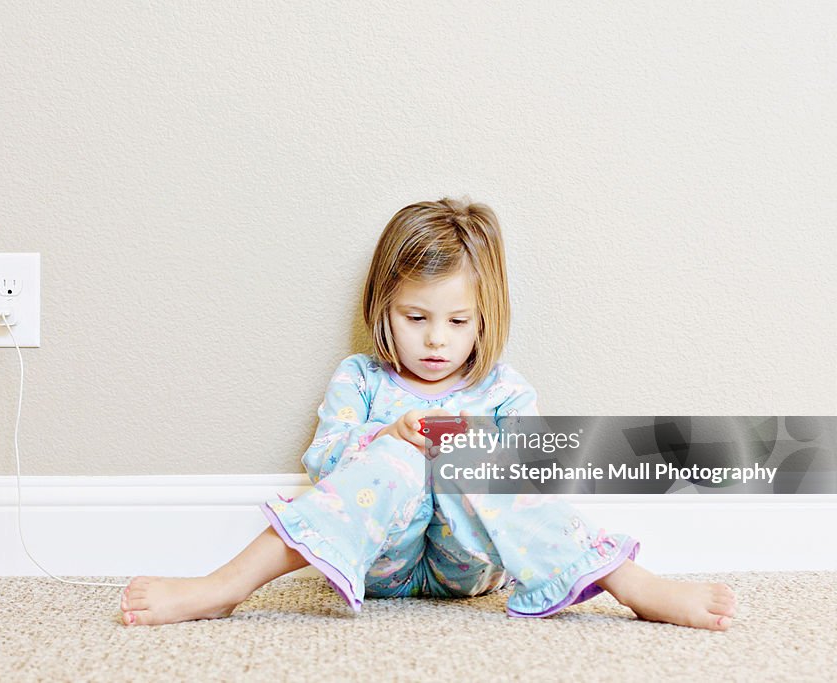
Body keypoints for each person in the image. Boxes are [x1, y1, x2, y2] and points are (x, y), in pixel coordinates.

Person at [119, 197, 737, 630]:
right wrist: (386, 436)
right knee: (391, 455)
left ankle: (629, 583)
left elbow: (537, 484)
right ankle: (224, 587)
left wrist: (476, 447)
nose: (436, 341)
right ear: (383, 310)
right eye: (416, 318)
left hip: (468, 565)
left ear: (484, 319)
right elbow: (325, 463)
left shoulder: (503, 389)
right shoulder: (359, 379)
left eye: (457, 321)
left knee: (492, 461)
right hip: (379, 558)